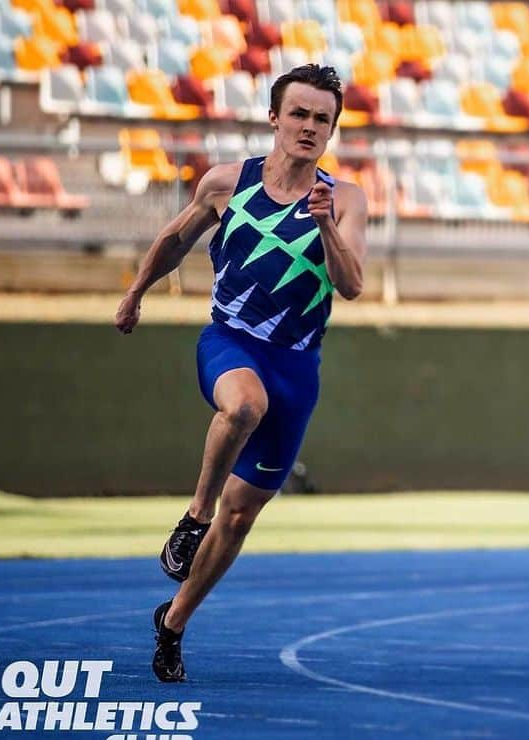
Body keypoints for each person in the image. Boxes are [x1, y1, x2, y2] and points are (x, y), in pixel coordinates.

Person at [115, 64, 368, 681]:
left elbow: (353, 285)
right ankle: (192, 517)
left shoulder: (347, 198)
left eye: (322, 120)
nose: (310, 128)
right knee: (242, 407)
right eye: (300, 114)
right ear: (275, 118)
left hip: (297, 371)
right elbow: (175, 238)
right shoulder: (227, 183)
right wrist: (136, 292)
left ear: (332, 130)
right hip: (229, 342)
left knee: (242, 516)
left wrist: (327, 223)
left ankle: (172, 623)